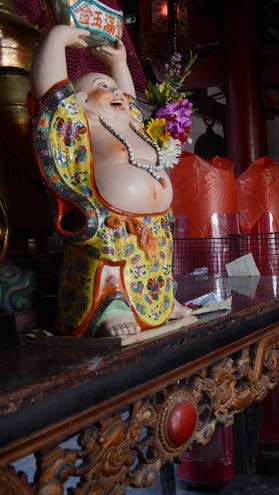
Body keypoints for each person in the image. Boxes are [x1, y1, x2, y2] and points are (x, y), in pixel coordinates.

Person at [30, 25, 189, 337]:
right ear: (82, 102)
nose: (117, 93)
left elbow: (127, 98)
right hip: (107, 224)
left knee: (156, 264)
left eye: (116, 89)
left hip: (154, 227)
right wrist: (58, 37)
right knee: (108, 262)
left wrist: (118, 63)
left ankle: (160, 301)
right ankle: (111, 306)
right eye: (104, 87)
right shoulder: (85, 123)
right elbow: (50, 93)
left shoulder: (131, 124)